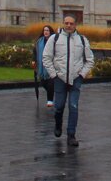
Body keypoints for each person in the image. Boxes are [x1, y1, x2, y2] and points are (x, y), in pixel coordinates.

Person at [42, 16, 94, 147]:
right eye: (66, 23)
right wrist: (53, 75)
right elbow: (46, 58)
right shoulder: (55, 39)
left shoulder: (82, 40)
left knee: (73, 106)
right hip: (60, 78)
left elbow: (90, 60)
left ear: (75, 25)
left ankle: (71, 134)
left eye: (71, 23)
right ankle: (58, 124)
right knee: (59, 106)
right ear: (63, 24)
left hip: (76, 78)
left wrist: (82, 74)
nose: (69, 25)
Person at [32, 24, 55, 107]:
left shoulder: (54, 41)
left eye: (47, 30)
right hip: (41, 66)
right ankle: (52, 93)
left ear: (50, 32)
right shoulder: (39, 41)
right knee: (44, 83)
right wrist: (34, 60)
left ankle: (50, 100)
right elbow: (35, 51)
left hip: (52, 65)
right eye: (44, 30)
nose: (46, 32)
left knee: (50, 83)